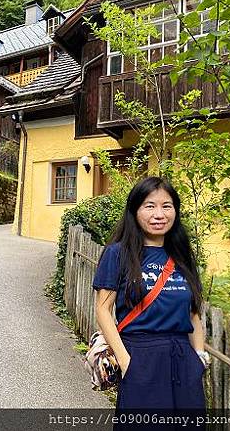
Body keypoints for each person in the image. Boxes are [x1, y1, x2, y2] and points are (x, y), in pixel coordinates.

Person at [92, 177, 208, 420]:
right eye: (149, 205)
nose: (159, 214)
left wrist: (199, 357)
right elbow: (103, 311)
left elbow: (193, 312)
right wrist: (126, 362)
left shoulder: (182, 256)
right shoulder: (118, 253)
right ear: (135, 210)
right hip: (140, 356)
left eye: (167, 206)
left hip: (183, 360)